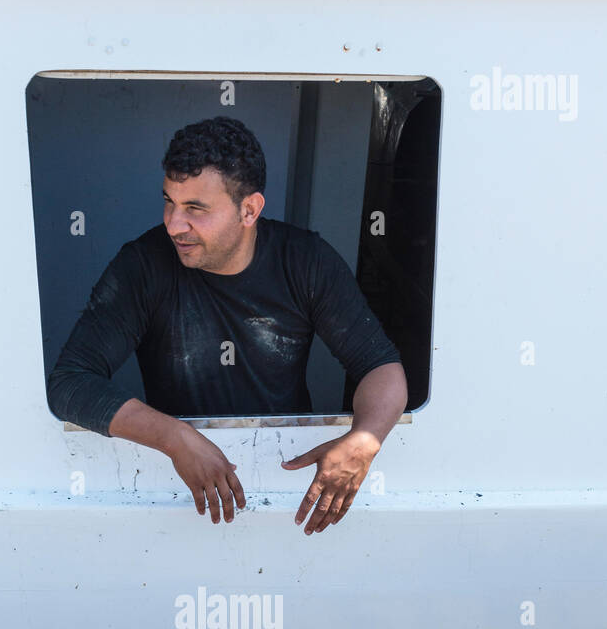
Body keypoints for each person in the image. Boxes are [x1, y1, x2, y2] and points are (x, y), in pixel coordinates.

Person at [47, 116, 407, 534]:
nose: (173, 223)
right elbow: (70, 383)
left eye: (195, 209)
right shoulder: (143, 265)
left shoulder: (305, 261)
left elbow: (381, 367)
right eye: (169, 201)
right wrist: (174, 438)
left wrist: (365, 440)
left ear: (249, 209)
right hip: (178, 492)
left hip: (285, 484)